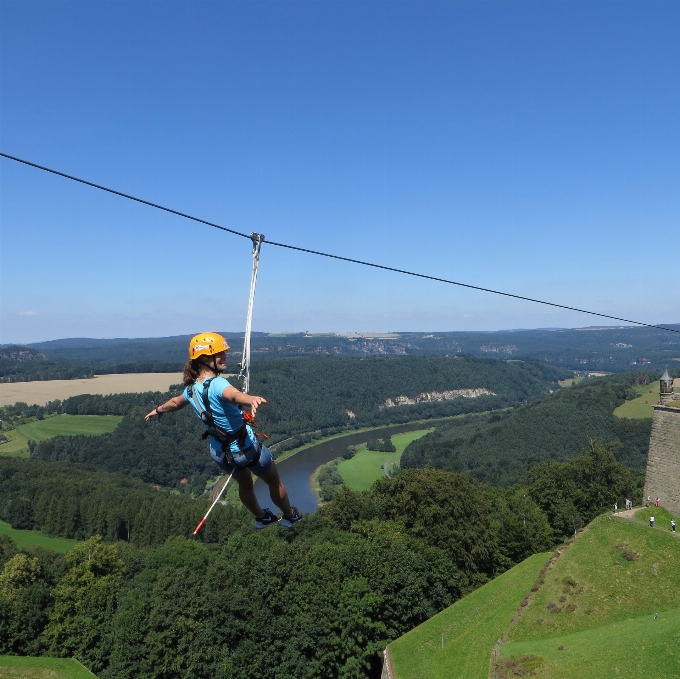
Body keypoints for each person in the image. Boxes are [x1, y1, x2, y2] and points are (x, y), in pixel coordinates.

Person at [144, 332, 302, 529]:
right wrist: (250, 399)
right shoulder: (219, 384)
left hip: (220, 453)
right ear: (205, 358)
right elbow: (234, 396)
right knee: (273, 481)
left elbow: (176, 403)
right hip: (245, 449)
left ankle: (261, 517)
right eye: (220, 353)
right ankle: (289, 515)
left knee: (245, 485)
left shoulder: (192, 388)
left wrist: (158, 410)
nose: (225, 356)